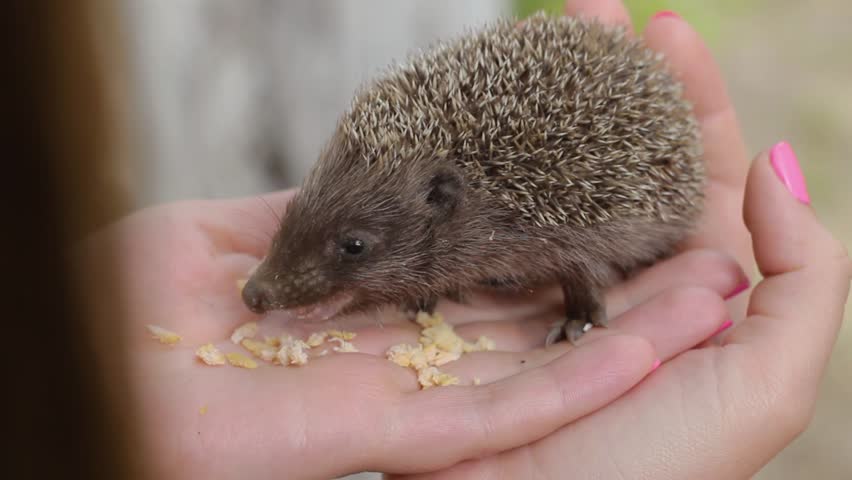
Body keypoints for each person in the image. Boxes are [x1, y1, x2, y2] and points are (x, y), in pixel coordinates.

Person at [14, 0, 849, 479]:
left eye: (350, 251)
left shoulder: (512, 222)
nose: (266, 290)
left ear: (446, 206)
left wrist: (583, 312)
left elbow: (577, 256)